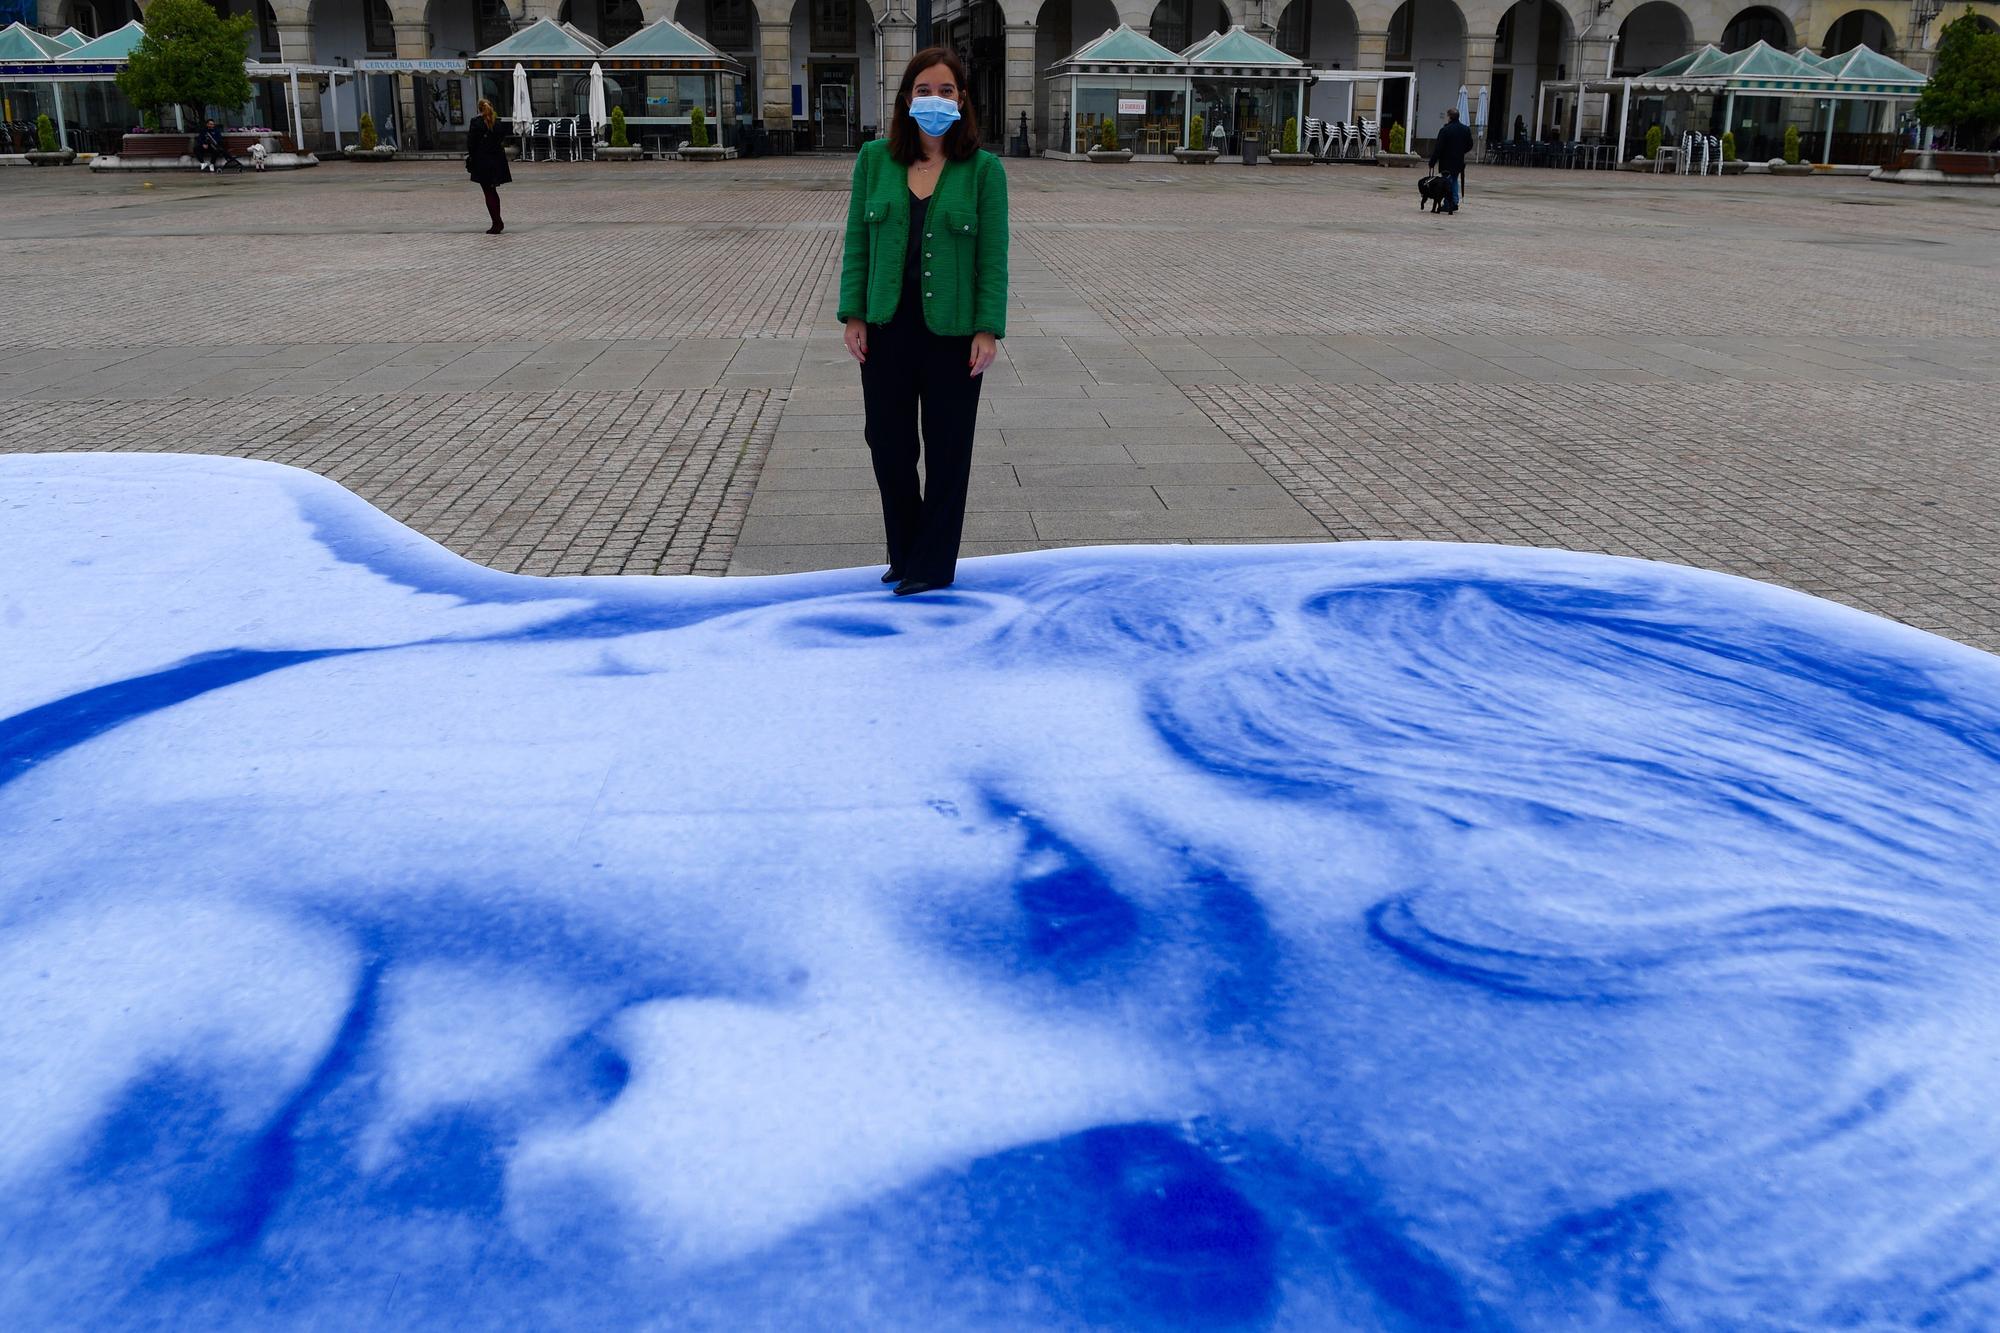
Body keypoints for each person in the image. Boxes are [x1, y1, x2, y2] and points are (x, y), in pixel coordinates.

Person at [840, 48, 1009, 597]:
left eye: (946, 91)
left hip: (953, 334)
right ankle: (905, 551)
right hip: (887, 329)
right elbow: (857, 246)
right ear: (905, 99)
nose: (934, 100)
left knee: (948, 450)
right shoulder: (874, 161)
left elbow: (993, 256)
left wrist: (988, 328)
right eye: (923, 90)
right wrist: (854, 315)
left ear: (961, 101)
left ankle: (932, 565)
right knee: (887, 444)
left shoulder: (984, 170)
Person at [465, 97, 512, 235]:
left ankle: (496, 222)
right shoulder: (497, 123)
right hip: (497, 160)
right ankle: (497, 221)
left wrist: (472, 157)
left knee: (488, 192)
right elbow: (501, 139)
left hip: (482, 161)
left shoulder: (476, 123)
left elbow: (471, 143)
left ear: (479, 109)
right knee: (493, 191)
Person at [1430, 106, 1473, 215]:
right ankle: (1454, 200)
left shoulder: (1445, 130)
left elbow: (1438, 148)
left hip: (1446, 161)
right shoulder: (1465, 129)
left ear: (1449, 117)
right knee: (1454, 180)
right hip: (1458, 160)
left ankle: (1450, 202)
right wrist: (1461, 151)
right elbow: (1470, 145)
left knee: (1447, 182)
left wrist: (1432, 161)